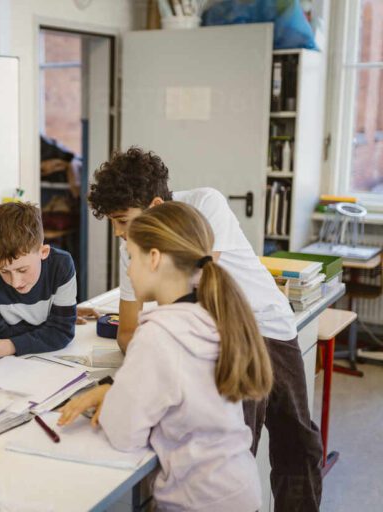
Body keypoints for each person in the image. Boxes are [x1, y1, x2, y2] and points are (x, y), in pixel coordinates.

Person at [83, 147, 323, 511]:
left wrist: (137, 381)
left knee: (296, 443)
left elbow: (201, 299)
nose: (118, 234)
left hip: (264, 327)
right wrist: (143, 377)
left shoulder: (204, 206)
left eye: (122, 220)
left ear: (156, 204)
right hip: (212, 340)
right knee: (235, 446)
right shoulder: (135, 248)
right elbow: (128, 331)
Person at [59, 202, 271, 512]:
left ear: (154, 259)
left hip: (198, 500)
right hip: (239, 490)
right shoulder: (213, 314)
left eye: (131, 257)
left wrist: (111, 398)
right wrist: (113, 390)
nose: (129, 270)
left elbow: (125, 435)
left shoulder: (159, 336)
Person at [0, 202, 76, 360]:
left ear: (43, 252)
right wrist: (49, 325)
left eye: (22, 270)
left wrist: (9, 345)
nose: (16, 282)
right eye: (4, 271)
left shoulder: (62, 265)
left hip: (22, 359)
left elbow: (62, 332)